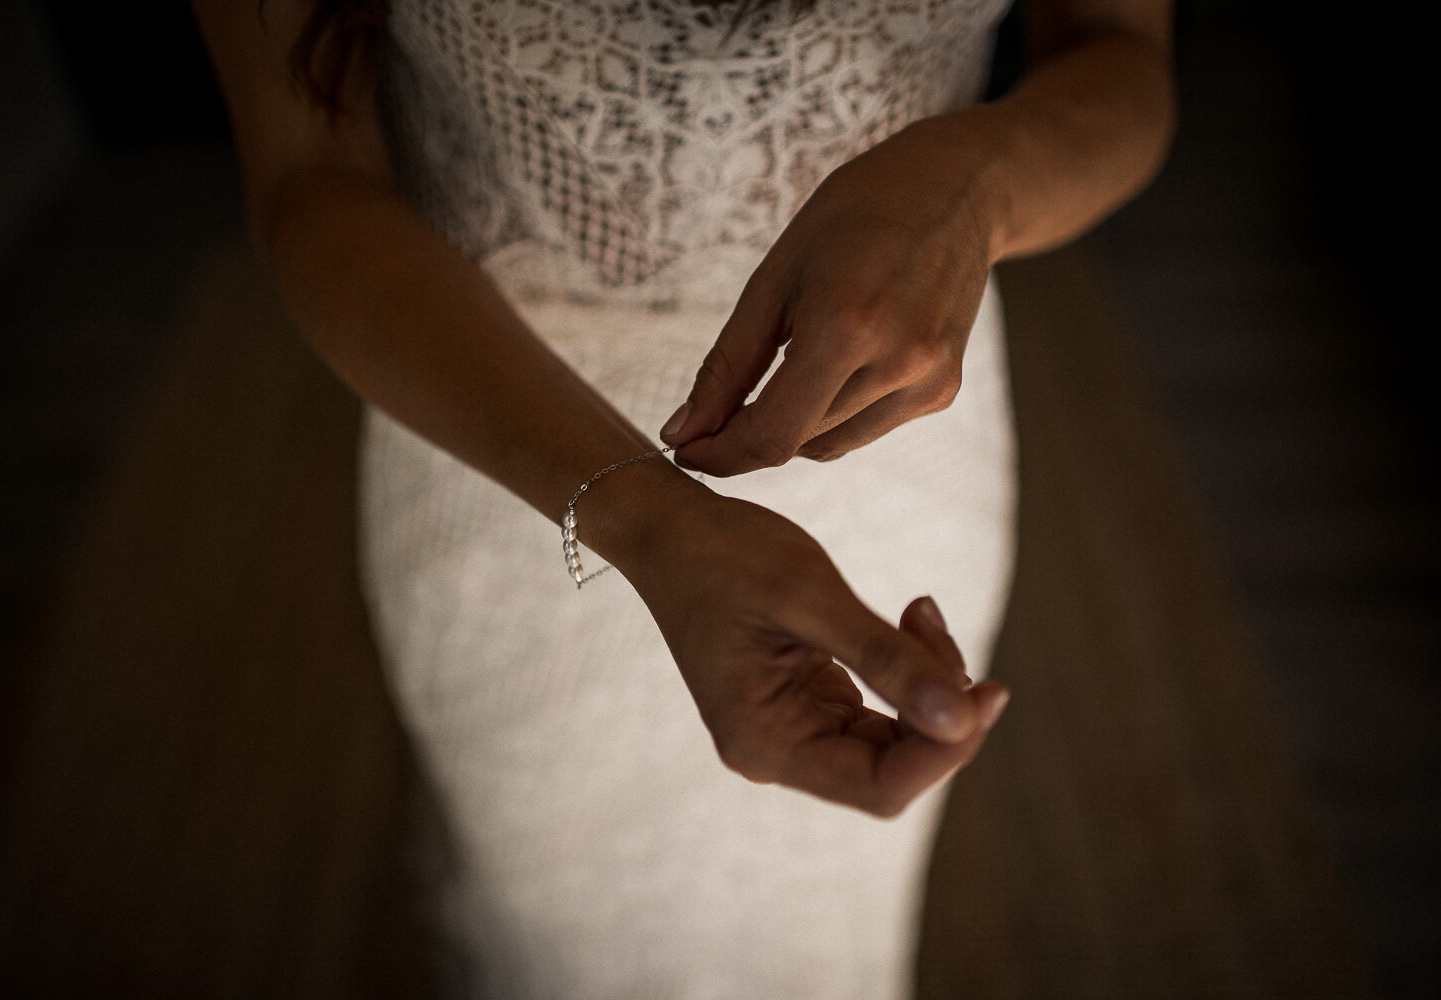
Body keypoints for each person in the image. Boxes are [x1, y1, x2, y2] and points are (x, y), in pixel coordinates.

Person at [192, 0, 1174, 996]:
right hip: (499, 435)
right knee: (568, 929)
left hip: (889, 409)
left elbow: (1124, 61)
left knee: (833, 921)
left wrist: (981, 185)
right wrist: (642, 517)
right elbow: (310, 178)